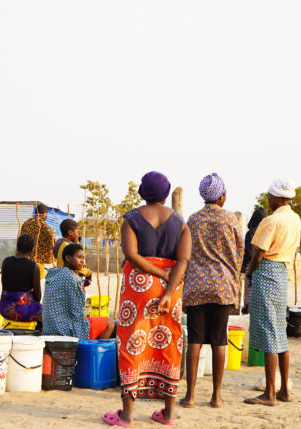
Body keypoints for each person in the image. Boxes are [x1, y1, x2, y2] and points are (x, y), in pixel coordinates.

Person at [103, 171, 191, 428]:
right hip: (171, 288)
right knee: (168, 345)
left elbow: (131, 254)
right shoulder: (180, 222)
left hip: (138, 289)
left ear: (142, 193)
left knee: (131, 344)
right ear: (166, 194)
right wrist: (167, 289)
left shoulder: (131, 219)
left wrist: (156, 273)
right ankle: (168, 414)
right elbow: (183, 260)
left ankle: (128, 416)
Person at [180, 173, 244, 409]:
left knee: (195, 339)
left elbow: (184, 251)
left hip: (196, 285)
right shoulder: (230, 220)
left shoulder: (193, 220)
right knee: (219, 340)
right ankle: (216, 396)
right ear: (222, 196)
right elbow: (239, 254)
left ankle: (190, 396)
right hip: (222, 286)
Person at [243, 178, 301, 407]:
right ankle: (285, 389)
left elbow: (258, 255)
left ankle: (269, 393)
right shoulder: (295, 219)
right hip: (281, 274)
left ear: (277, 197)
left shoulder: (271, 220)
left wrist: (248, 273)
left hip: (267, 273)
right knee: (279, 333)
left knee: (269, 334)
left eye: (269, 195)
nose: (267, 199)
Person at [43, 243, 114, 340]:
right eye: (79, 257)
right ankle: (91, 351)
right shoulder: (68, 277)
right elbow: (77, 312)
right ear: (68, 258)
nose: (82, 261)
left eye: (83, 258)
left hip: (50, 327)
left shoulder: (55, 274)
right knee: (110, 323)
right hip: (63, 329)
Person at [0, 234, 43, 325]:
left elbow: (4, 286)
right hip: (23, 312)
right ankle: (38, 335)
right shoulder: (34, 266)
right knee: (45, 313)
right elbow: (38, 296)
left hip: (4, 309)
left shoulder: (6, 261)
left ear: (17, 246)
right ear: (31, 249)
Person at [241, 208, 268, 314]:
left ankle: (248, 307)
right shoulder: (267, 231)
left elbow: (249, 252)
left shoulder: (250, 233)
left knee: (249, 288)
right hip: (264, 264)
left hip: (251, 264)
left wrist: (244, 266)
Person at [19, 203, 55, 276]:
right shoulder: (43, 225)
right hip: (38, 261)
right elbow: (52, 238)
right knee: (38, 281)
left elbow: (21, 237)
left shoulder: (26, 223)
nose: (47, 217)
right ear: (44, 213)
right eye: (46, 214)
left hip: (25, 258)